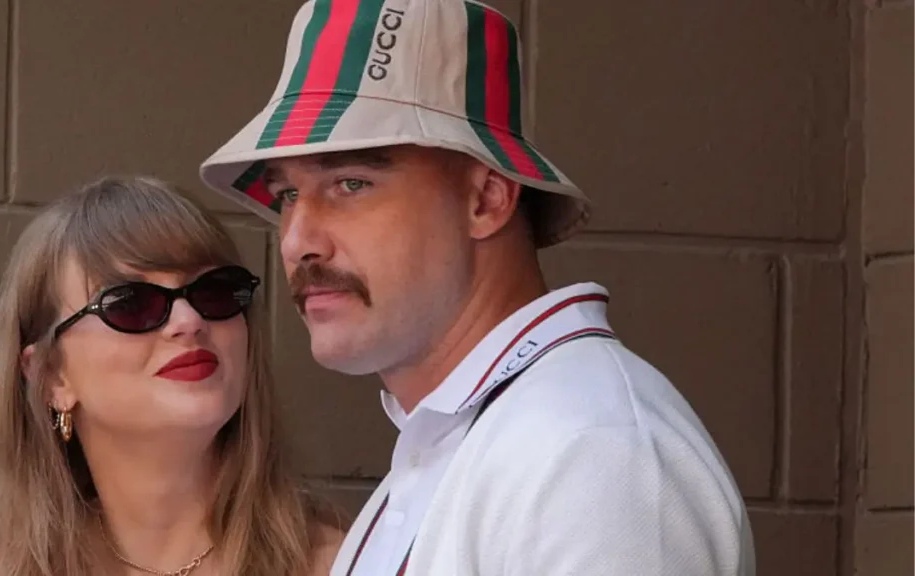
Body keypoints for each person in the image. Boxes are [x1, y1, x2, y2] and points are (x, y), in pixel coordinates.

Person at [197, 0, 756, 574]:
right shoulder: (475, 440)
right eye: (288, 194)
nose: (296, 242)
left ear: (486, 199)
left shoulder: (591, 451)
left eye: (351, 183)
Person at [0, 176, 343, 576]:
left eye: (214, 291)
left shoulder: (344, 566)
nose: (188, 321)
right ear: (51, 377)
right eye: (131, 303)